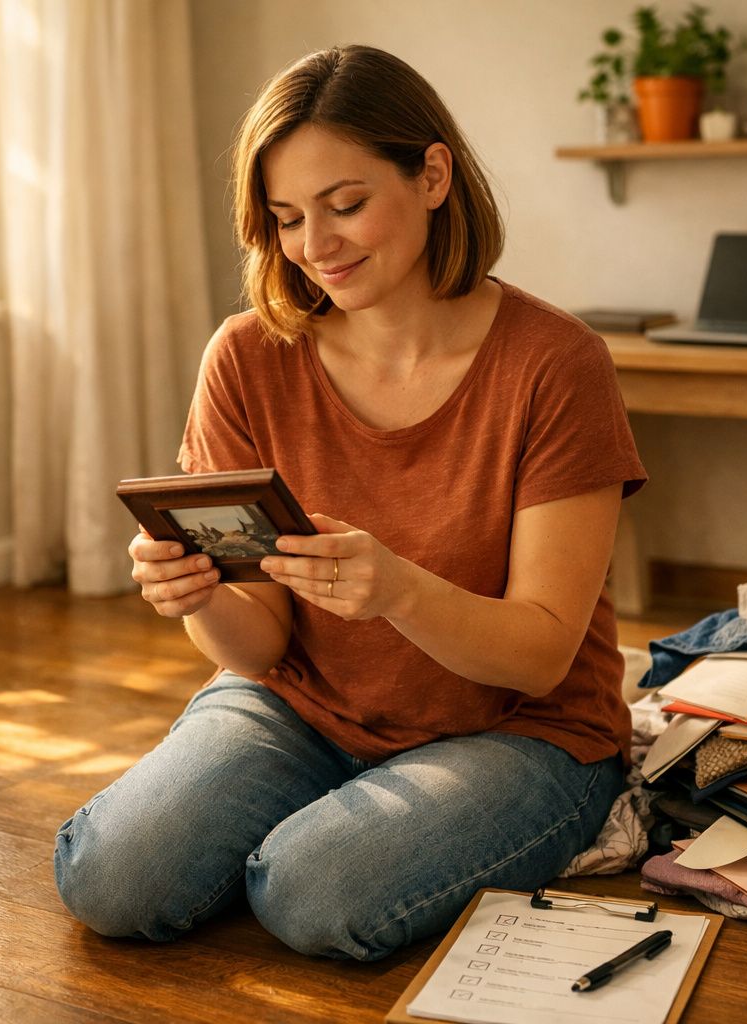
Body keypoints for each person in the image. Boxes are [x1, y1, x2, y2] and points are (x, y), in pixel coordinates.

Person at [54, 44, 646, 962]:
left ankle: (331, 836)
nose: (315, 246)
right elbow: (258, 647)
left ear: (433, 175)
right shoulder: (246, 358)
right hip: (304, 705)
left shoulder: (554, 363)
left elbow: (538, 656)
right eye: (288, 218)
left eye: (346, 204)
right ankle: (322, 822)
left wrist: (398, 591)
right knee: (113, 880)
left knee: (311, 891)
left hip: (521, 729)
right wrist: (199, 596)